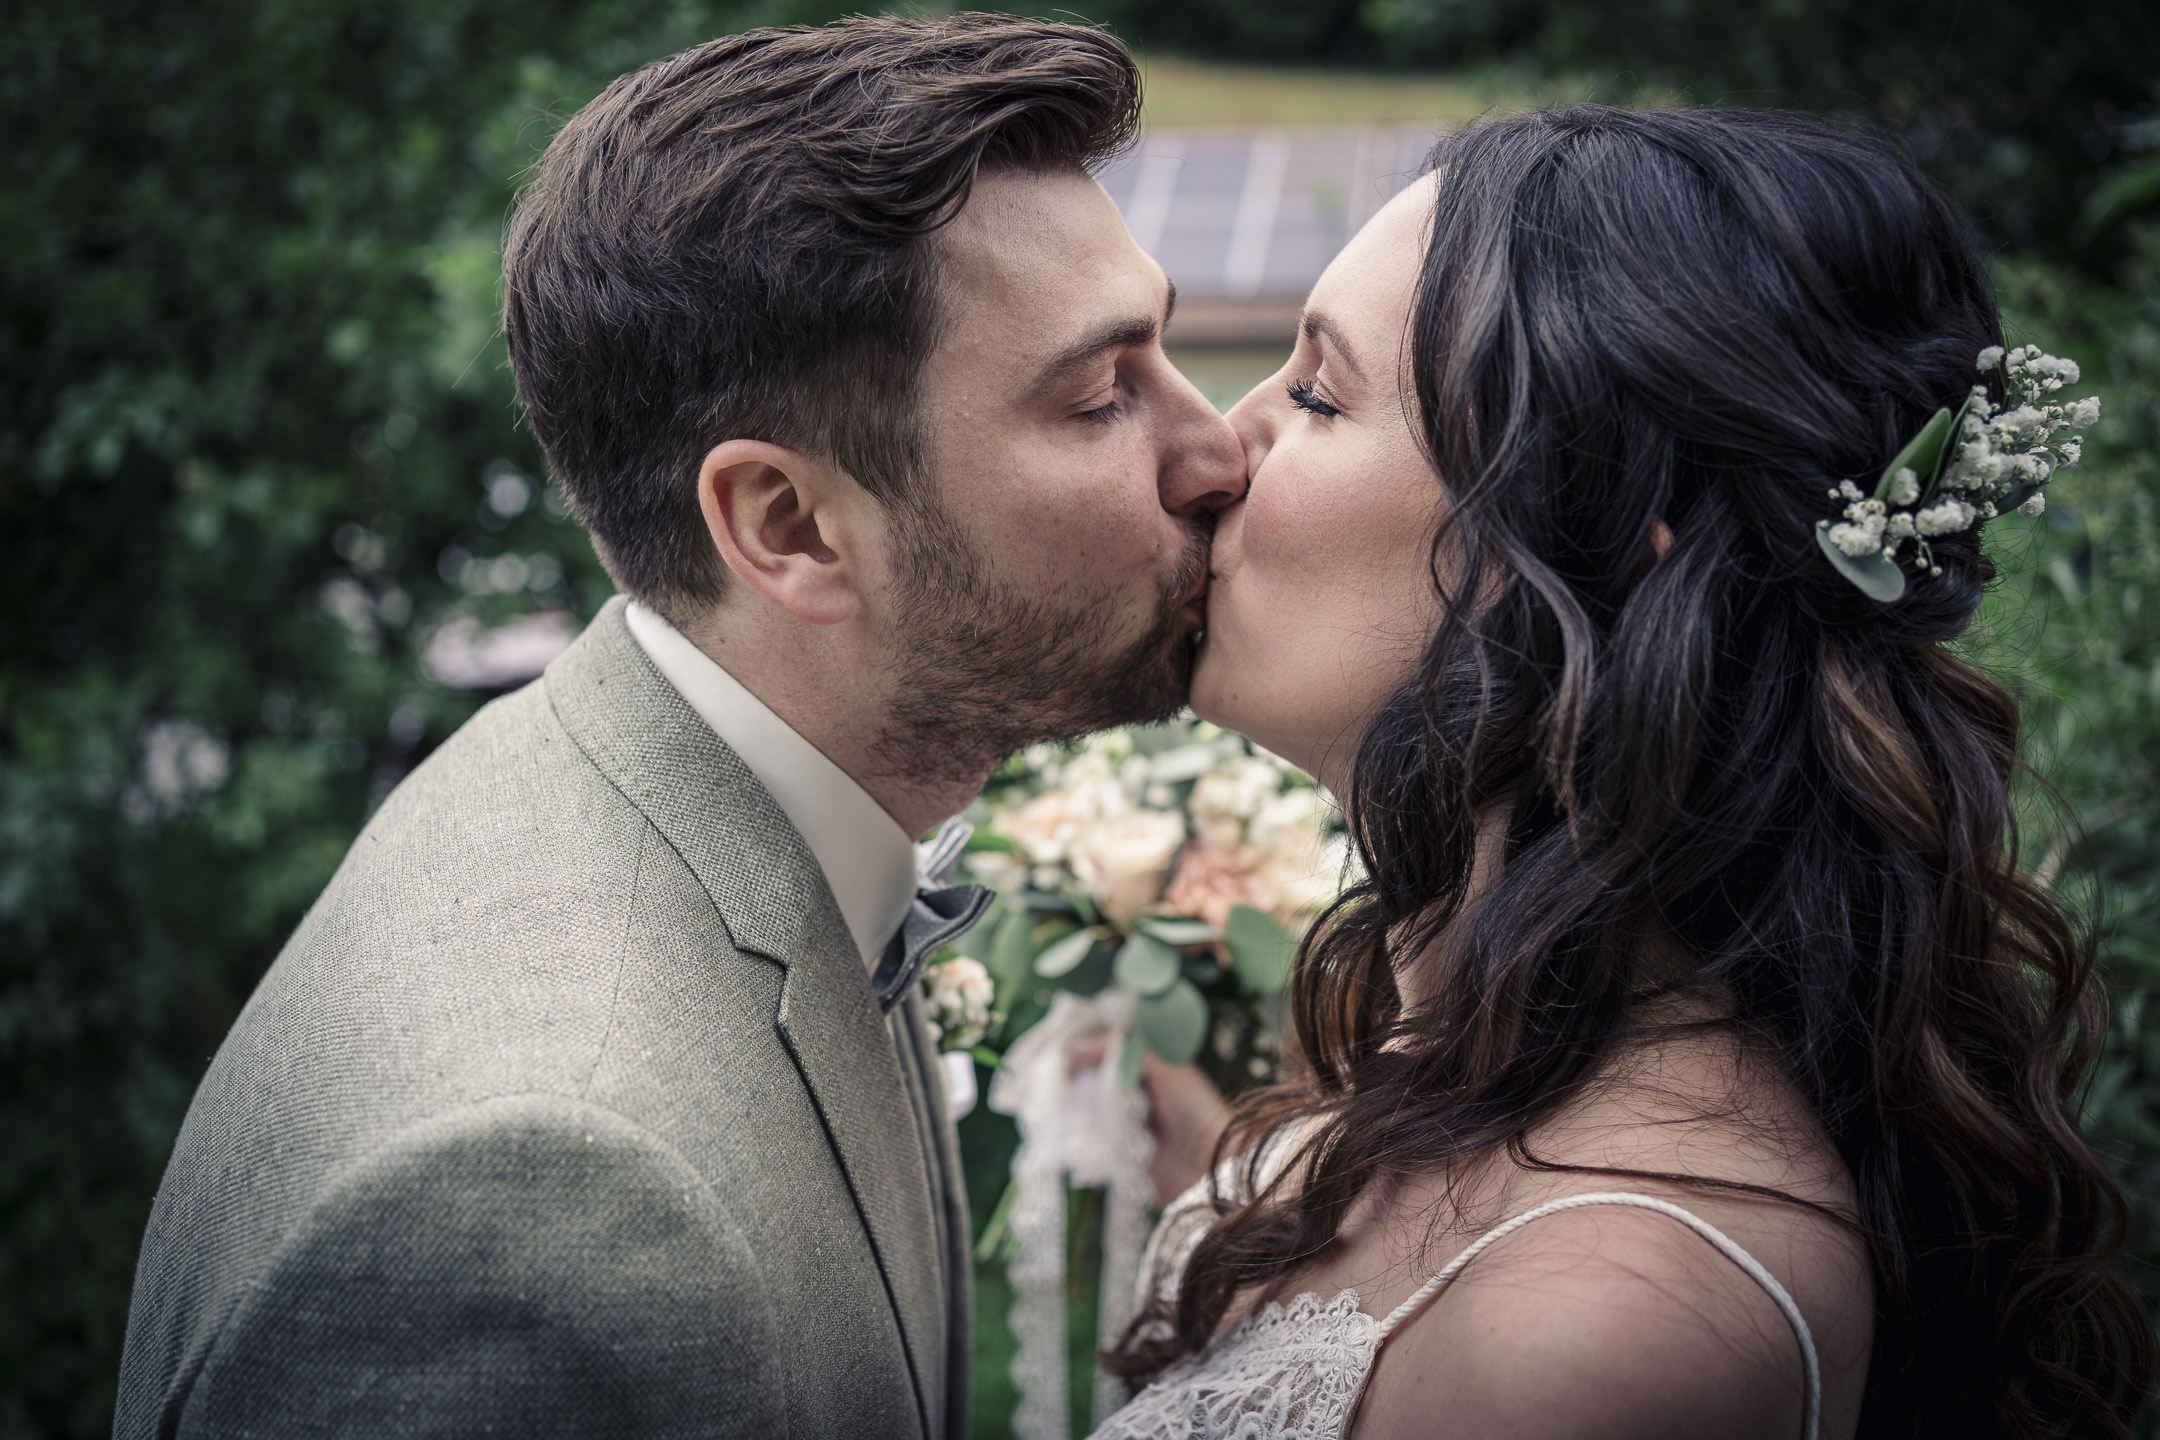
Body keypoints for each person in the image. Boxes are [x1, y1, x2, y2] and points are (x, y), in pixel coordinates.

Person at [112, 15, 1242, 1439]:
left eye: (1168, 350)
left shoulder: (679, 784)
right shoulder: (541, 1219)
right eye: (1099, 396)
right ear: (789, 527)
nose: (1221, 453)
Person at [1099, 106, 2153, 1439]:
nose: (1207, 459)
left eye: (1316, 394)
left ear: (1590, 548)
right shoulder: (1472, 1066)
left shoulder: (1609, 1340)